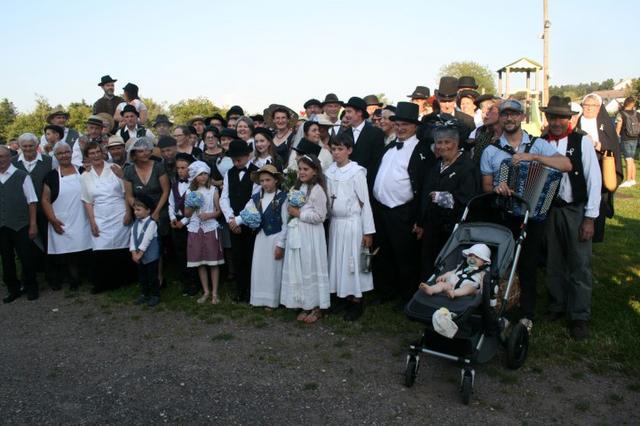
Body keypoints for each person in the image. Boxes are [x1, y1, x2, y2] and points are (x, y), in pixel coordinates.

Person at [480, 99, 571, 331]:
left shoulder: (538, 145)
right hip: (504, 214)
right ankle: (504, 306)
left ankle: (527, 311)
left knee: (529, 263)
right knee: (504, 262)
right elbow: (486, 186)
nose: (509, 119)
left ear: (522, 117)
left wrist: (533, 158)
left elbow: (566, 164)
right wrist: (497, 189)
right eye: (505, 115)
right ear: (500, 118)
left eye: (514, 114)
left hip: (533, 214)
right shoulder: (491, 150)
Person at [537, 96, 602, 340]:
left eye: (561, 117)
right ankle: (557, 305)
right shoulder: (542, 142)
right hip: (551, 208)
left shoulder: (581, 141)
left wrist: (590, 217)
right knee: (553, 260)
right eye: (552, 116)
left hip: (576, 208)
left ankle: (579, 315)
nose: (556, 122)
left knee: (579, 263)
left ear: (570, 118)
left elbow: (594, 180)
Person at [372, 102, 435, 305]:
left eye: (405, 125)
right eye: (397, 124)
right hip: (382, 210)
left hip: (404, 211)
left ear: (415, 126)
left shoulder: (422, 150)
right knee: (384, 254)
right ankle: (386, 292)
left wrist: (420, 218)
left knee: (405, 256)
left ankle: (407, 297)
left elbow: (425, 187)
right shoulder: (390, 146)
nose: (400, 128)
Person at [325, 134, 375, 321]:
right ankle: (341, 296)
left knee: (351, 262)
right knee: (337, 260)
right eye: (334, 149)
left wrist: (368, 231)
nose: (336, 153)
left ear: (349, 150)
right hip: (336, 224)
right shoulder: (330, 171)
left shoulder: (356, 172)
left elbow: (365, 202)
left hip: (353, 223)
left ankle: (356, 300)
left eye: (340, 149)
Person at [419, 123, 479, 279]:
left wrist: (443, 198)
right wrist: (420, 222)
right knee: (428, 267)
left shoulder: (468, 167)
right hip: (432, 229)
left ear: (457, 143)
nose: (443, 146)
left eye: (447, 142)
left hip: (453, 231)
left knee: (448, 270)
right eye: (439, 142)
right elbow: (425, 194)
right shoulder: (436, 165)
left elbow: (469, 200)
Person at [280, 154, 330, 323]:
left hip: (311, 235)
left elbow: (320, 216)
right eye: (300, 169)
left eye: (306, 169)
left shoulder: (318, 190)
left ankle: (317, 306)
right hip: (298, 234)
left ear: (315, 171)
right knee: (300, 268)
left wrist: (299, 214)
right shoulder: (298, 188)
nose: (302, 172)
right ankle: (305, 304)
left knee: (311, 267)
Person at [81, 141, 133, 293]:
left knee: (121, 247)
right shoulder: (85, 175)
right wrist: (92, 222)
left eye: (98, 152)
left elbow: (126, 192)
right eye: (91, 153)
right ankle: (103, 283)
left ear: (103, 153)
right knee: (101, 248)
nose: (95, 155)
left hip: (119, 211)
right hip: (100, 214)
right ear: (87, 157)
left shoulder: (114, 168)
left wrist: (128, 212)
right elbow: (87, 201)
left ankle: (124, 280)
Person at [41, 142, 92, 291]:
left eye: (67, 152)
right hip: (62, 219)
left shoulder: (82, 171)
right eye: (60, 153)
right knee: (68, 253)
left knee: (85, 248)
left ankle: (88, 276)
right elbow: (45, 200)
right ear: (56, 156)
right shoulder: (50, 176)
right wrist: (53, 220)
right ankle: (72, 279)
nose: (64, 155)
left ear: (71, 153)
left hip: (83, 217)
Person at [577, 93, 623, 242]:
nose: (589, 109)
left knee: (598, 198)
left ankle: (594, 233)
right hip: (580, 166)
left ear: (599, 108)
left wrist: (598, 145)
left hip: (601, 165)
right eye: (586, 105)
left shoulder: (605, 124)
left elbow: (613, 147)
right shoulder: (578, 122)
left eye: (593, 106)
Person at [240, 165, 287, 308]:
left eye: (268, 180)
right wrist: (234, 221)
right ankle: (259, 299)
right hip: (261, 238)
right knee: (260, 268)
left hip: (275, 237)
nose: (265, 183)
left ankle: (272, 301)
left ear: (276, 180)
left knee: (273, 270)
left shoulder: (282, 198)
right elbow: (245, 213)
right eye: (262, 181)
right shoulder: (256, 198)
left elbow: (286, 223)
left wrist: (281, 244)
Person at [220, 139, 260, 302]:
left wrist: (239, 220)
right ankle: (240, 289)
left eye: (239, 159)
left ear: (248, 155)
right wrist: (230, 218)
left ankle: (252, 290)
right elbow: (224, 197)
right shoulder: (229, 173)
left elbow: (255, 200)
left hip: (249, 223)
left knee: (250, 257)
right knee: (237, 258)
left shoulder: (256, 173)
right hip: (233, 222)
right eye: (234, 159)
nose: (237, 162)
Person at [0, 145, 39, 302]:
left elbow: (32, 201)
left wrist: (33, 224)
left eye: (3, 156)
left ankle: (31, 287)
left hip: (20, 224)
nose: (0, 160)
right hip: (2, 226)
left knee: (26, 258)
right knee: (6, 260)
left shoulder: (22, 175)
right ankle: (13, 289)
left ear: (10, 157)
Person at [184, 161, 224, 304]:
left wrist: (209, 215)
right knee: (200, 262)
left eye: (205, 174)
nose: (203, 177)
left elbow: (219, 211)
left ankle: (214, 293)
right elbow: (187, 214)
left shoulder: (213, 190)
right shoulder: (190, 192)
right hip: (195, 228)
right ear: (194, 176)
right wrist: (192, 206)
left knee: (213, 262)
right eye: (200, 174)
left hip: (210, 227)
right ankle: (206, 291)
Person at [13, 133, 53, 276]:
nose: (28, 149)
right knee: (25, 247)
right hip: (23, 212)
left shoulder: (48, 161)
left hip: (44, 210)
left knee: (48, 243)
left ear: (37, 146)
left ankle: (51, 275)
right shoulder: (13, 163)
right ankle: (29, 276)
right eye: (25, 146)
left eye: (31, 145)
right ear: (20, 147)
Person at [169, 153, 198, 296]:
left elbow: (195, 208)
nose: (180, 171)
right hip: (177, 221)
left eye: (184, 168)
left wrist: (184, 222)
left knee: (191, 253)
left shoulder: (194, 187)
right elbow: (171, 203)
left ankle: (194, 282)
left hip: (190, 222)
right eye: (178, 168)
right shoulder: (174, 185)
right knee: (180, 253)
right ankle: (185, 281)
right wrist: (173, 218)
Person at [342, 96, 385, 189]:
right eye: (346, 112)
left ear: (359, 113)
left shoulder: (376, 133)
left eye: (349, 111)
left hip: (368, 185)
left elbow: (377, 163)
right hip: (347, 185)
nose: (346, 115)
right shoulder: (343, 135)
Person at [419, 243, 490, 299]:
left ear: (485, 262)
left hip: (469, 288)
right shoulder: (462, 266)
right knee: (442, 284)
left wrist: (480, 294)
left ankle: (454, 293)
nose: (472, 258)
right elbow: (452, 272)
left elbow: (483, 285)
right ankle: (431, 289)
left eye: (477, 257)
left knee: (469, 288)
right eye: (470, 255)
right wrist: (443, 276)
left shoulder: (482, 273)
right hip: (452, 285)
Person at [130, 194, 161, 307]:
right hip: (139, 256)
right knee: (142, 276)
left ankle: (155, 295)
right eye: (134, 210)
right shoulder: (135, 224)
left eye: (139, 209)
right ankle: (144, 294)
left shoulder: (151, 223)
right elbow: (132, 237)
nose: (135, 212)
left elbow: (147, 239)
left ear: (148, 210)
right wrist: (133, 251)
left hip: (150, 256)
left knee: (152, 276)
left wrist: (140, 253)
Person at [469, 97, 501, 164]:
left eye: (489, 110)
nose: (485, 114)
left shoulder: (509, 133)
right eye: (482, 111)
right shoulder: (477, 132)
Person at [615, 97, 638, 187]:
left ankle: (628, 180)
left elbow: (618, 127)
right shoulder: (637, 114)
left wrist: (616, 136)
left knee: (628, 159)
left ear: (625, 103)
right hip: (635, 138)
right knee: (631, 159)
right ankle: (633, 179)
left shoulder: (621, 114)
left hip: (626, 138)